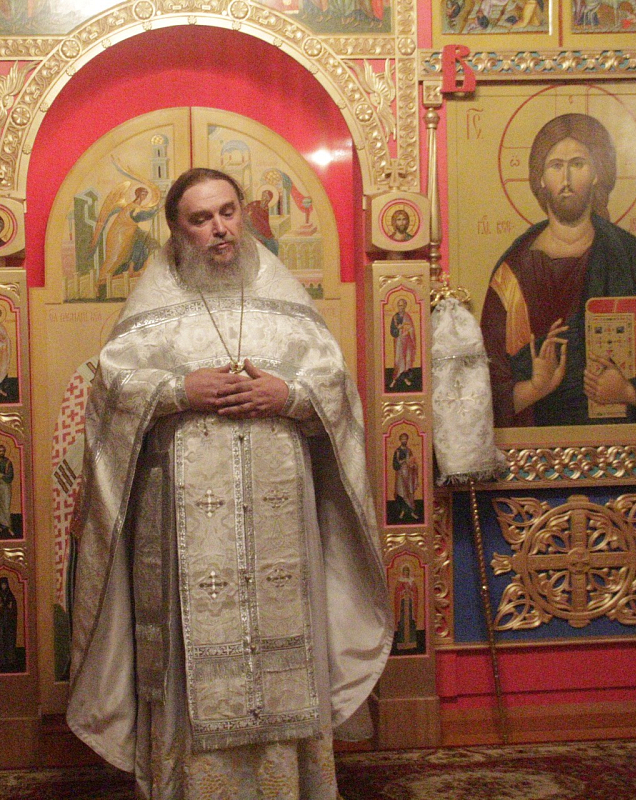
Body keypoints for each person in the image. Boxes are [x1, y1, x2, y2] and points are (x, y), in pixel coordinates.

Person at [67, 168, 390, 799]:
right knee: (191, 656)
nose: (220, 229)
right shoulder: (153, 308)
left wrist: (289, 395)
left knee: (284, 654)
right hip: (185, 534)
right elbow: (111, 392)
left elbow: (336, 390)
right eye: (201, 218)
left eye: (228, 212)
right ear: (176, 231)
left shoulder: (284, 299)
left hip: (281, 531)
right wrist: (175, 390)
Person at [480, 113, 636, 427]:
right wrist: (535, 388)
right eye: (555, 166)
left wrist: (628, 392)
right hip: (534, 443)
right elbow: (484, 395)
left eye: (578, 164)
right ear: (540, 178)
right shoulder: (513, 271)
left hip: (617, 444)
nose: (565, 180)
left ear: (597, 174)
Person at [389, 297, 417, 390]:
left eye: (402, 305)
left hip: (407, 341)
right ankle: (394, 379)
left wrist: (409, 330)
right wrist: (398, 328)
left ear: (405, 306)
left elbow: (412, 328)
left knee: (407, 359)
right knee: (399, 360)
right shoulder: (395, 317)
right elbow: (392, 331)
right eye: (399, 305)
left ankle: (405, 378)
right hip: (399, 342)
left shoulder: (407, 316)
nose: (401, 307)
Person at [391, 433, 418, 523]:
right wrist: (402, 461)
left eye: (405, 439)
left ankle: (411, 512)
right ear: (400, 440)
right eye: (402, 439)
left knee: (409, 492)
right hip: (400, 474)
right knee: (402, 492)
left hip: (409, 474)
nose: (404, 440)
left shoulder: (409, 451)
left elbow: (412, 462)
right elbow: (394, 465)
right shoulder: (397, 451)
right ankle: (402, 512)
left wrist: (413, 465)